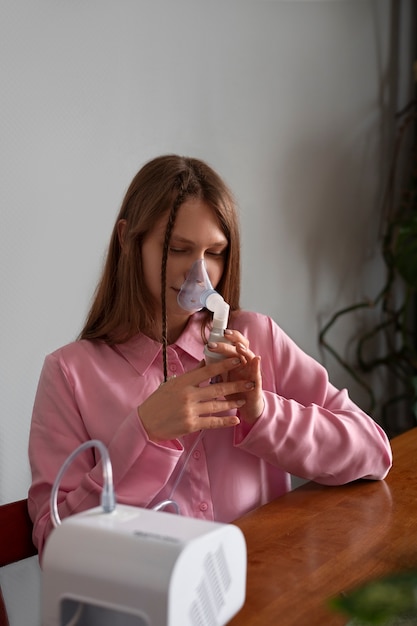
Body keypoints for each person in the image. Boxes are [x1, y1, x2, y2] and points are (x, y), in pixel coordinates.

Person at [28, 154, 392, 561]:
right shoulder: (69, 375)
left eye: (215, 253)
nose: (199, 275)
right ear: (128, 240)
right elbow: (54, 546)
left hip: (262, 601)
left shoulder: (257, 339)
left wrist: (263, 412)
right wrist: (145, 433)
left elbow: (373, 452)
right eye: (179, 249)